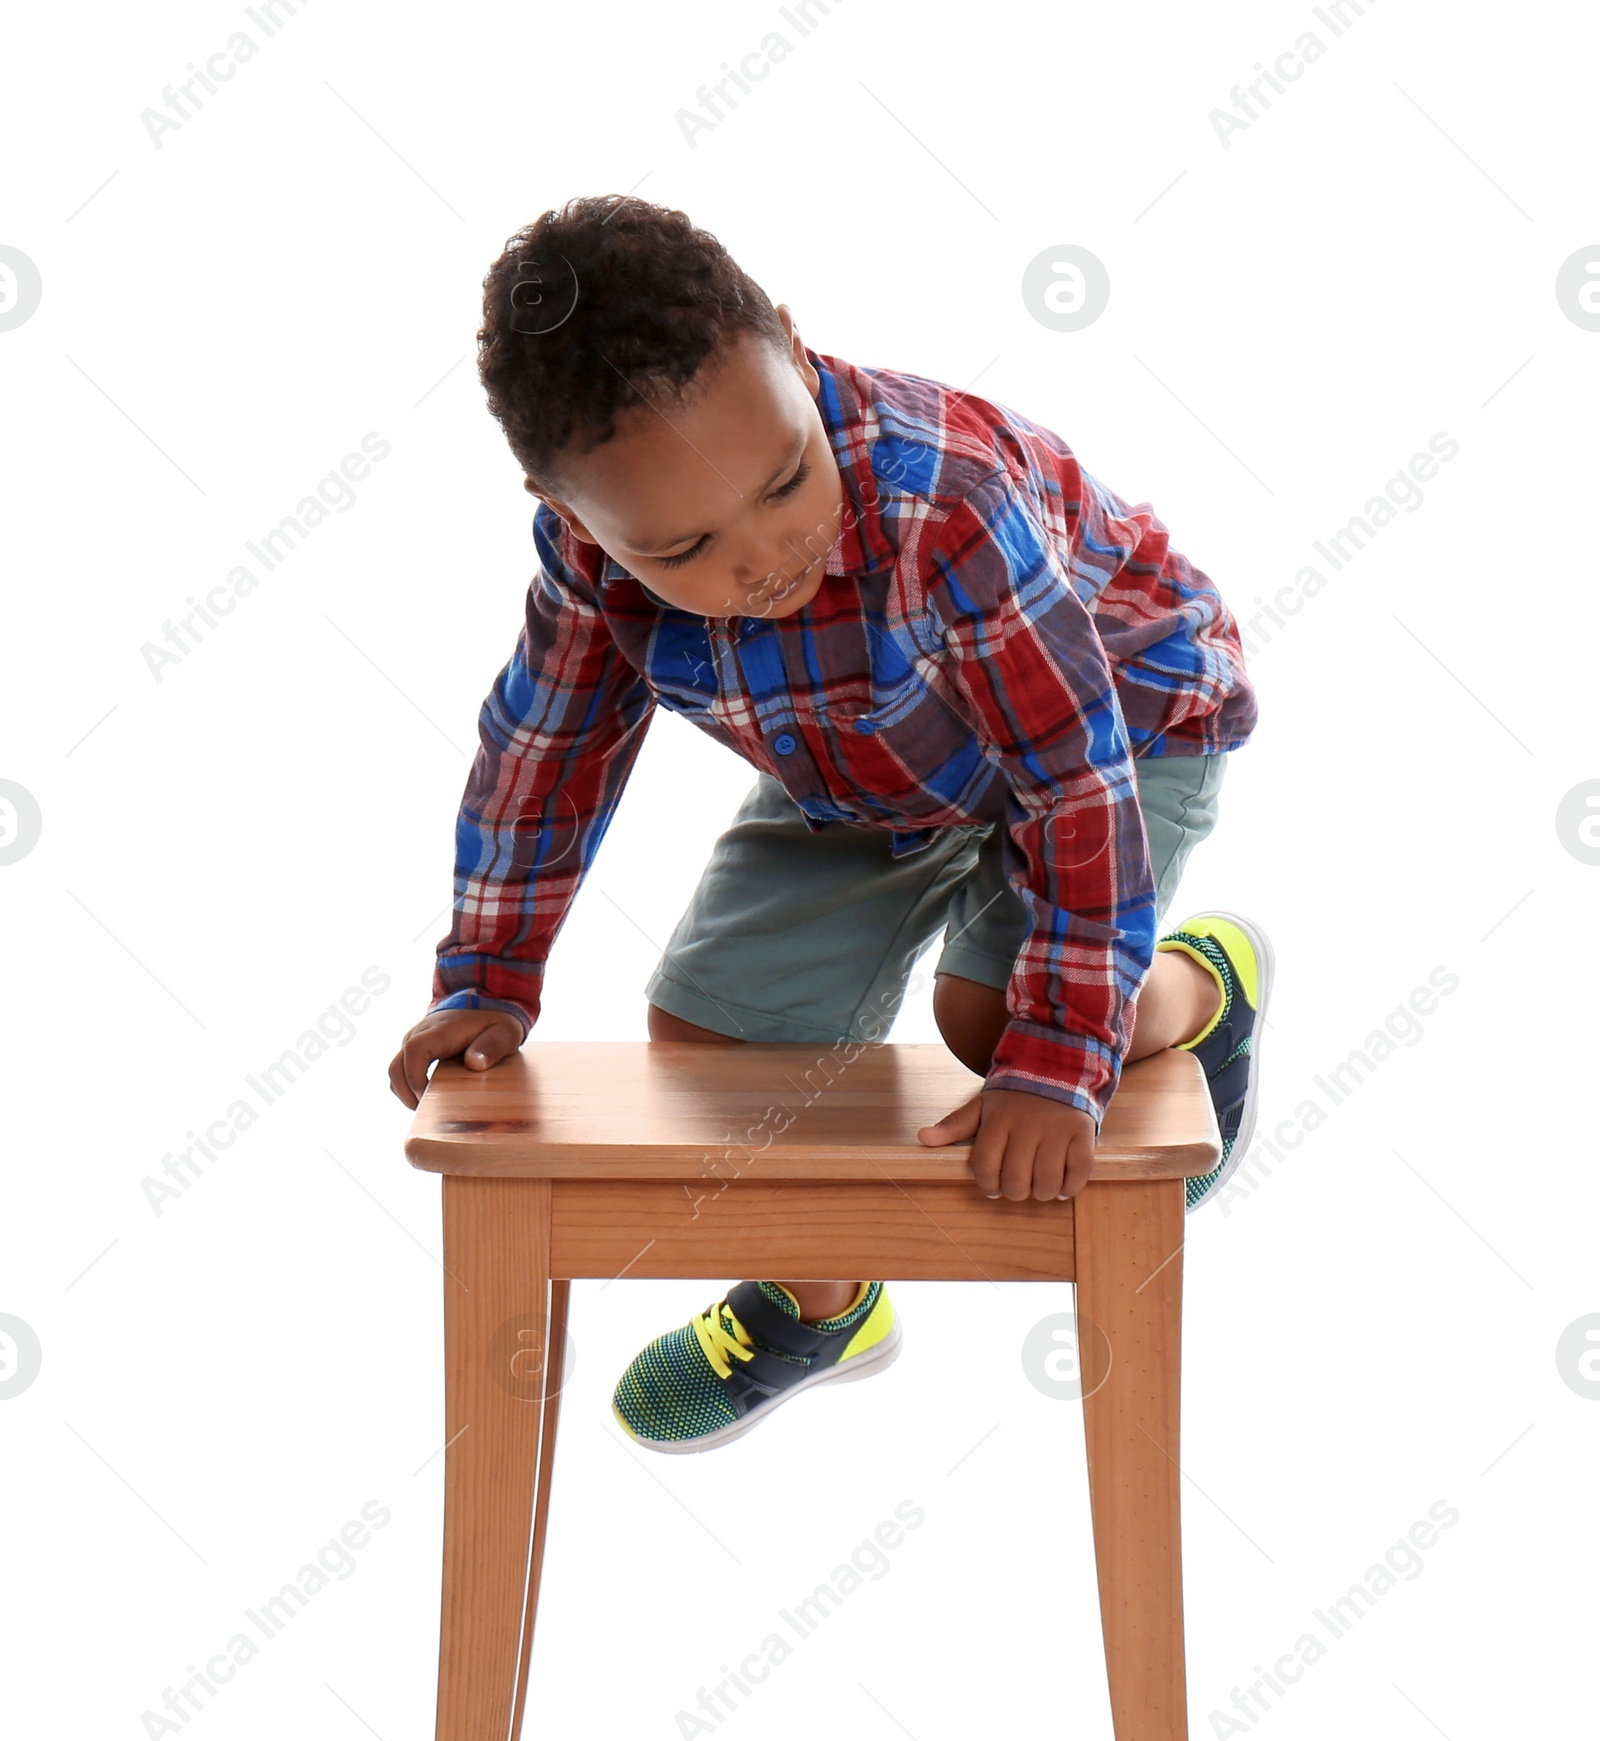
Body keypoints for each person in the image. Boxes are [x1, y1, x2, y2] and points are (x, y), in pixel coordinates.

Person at [388, 196, 1273, 1455]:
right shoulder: (586, 559)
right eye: (686, 545)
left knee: (996, 1026)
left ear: (795, 352)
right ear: (572, 513)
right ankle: (825, 1301)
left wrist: (1056, 1062)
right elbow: (546, 751)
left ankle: (1207, 986)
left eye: (786, 478)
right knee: (706, 1043)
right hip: (872, 752)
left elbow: (1071, 774)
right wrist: (486, 975)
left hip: (1113, 717)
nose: (765, 556)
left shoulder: (944, 500)